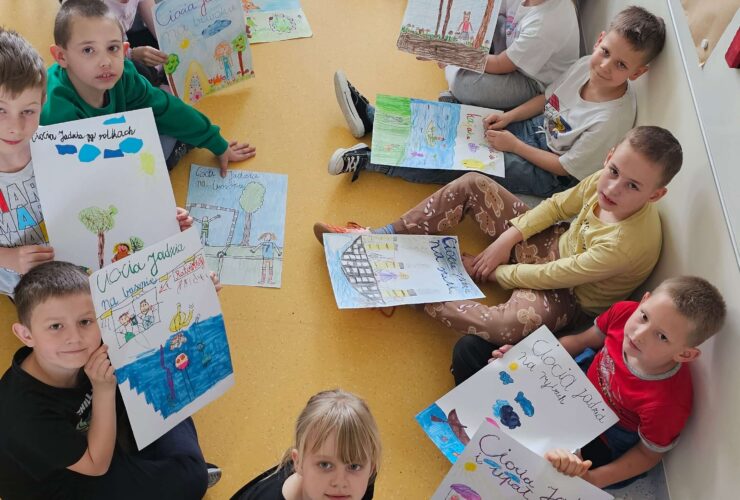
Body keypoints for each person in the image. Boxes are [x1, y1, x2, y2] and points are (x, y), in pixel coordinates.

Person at [315, 126, 682, 356]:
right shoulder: (602, 178)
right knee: (473, 183)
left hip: (568, 296)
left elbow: (559, 275)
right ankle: (381, 237)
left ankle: (405, 285)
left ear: (656, 195)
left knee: (499, 326)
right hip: (554, 244)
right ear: (609, 158)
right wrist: (507, 239)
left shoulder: (624, 244)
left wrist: (494, 272)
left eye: (632, 186)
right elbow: (556, 207)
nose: (613, 188)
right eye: (613, 171)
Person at [329, 6, 665, 198]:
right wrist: (509, 118)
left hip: (548, 172)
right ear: (599, 41)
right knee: (459, 121)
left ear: (637, 73)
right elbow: (546, 99)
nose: (605, 67)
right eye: (605, 53)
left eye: (621, 65)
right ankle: (374, 118)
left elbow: (565, 169)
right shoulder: (584, 66)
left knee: (464, 163)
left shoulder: (610, 119)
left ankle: (371, 161)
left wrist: (514, 145)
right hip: (533, 130)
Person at [0, 261, 222, 499]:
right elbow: (96, 465)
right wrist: (103, 390)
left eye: (85, 322)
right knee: (191, 477)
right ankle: (162, 466)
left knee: (156, 377)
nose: (75, 338)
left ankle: (154, 464)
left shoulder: (71, 351)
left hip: (88, 436)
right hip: (63, 481)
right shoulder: (23, 412)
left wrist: (193, 294)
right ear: (25, 335)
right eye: (55, 326)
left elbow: (152, 328)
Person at [490, 276, 726, 489]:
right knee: (484, 368)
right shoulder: (624, 313)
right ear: (644, 300)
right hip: (574, 386)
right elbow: (581, 341)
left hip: (607, 436)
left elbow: (648, 455)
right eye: (644, 316)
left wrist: (592, 479)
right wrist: (527, 356)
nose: (639, 334)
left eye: (662, 336)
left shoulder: (668, 403)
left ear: (685, 354)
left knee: (548, 473)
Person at [43, 0, 256, 175]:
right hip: (84, 171)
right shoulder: (56, 109)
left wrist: (217, 143)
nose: (105, 62)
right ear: (61, 56)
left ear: (124, 50)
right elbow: (66, 176)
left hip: (113, 142)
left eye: (112, 48)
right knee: (155, 160)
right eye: (88, 50)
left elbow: (165, 107)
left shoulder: (124, 74)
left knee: (167, 124)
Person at [231, 389, 382, 500]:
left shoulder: (361, 483)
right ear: (299, 462)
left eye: (354, 466)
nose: (340, 483)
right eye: (325, 465)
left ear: (371, 469)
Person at [442, 0, 579, 110]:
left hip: (532, 81)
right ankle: (462, 64)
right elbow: (488, 8)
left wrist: (459, 55)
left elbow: (501, 64)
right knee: (492, 19)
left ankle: (460, 72)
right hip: (510, 48)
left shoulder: (546, 24)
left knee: (462, 85)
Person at [0, 28, 55, 298]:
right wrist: (9, 258)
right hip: (17, 283)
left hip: (66, 264)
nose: (15, 127)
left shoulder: (60, 147)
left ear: (42, 103)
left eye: (28, 111)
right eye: (1, 110)